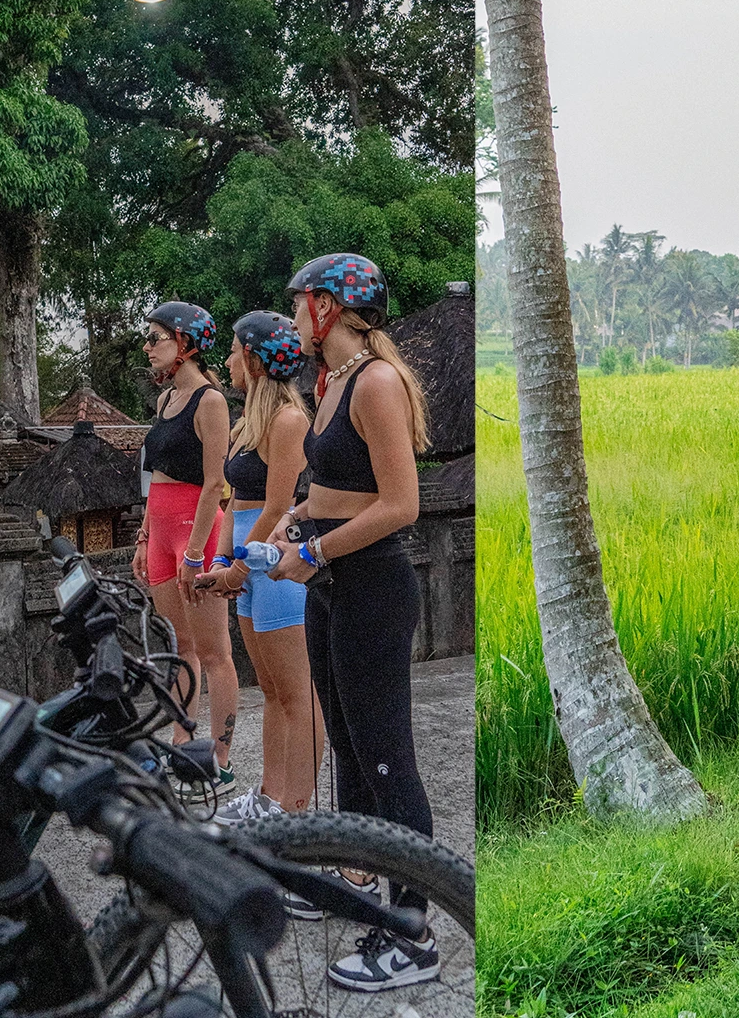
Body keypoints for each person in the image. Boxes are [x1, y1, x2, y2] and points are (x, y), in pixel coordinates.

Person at [266, 253, 441, 993]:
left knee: (385, 758)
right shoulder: (331, 382)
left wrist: (315, 550)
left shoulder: (374, 382)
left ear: (329, 307)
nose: (296, 316)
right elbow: (335, 485)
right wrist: (293, 525)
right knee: (346, 744)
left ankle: (414, 931)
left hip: (370, 583)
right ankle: (359, 883)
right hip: (331, 581)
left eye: (302, 302)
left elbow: (402, 504)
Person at [198, 311, 325, 826]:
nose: (227, 360)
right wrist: (223, 561)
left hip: (273, 566)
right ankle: (271, 797)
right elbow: (234, 502)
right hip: (248, 564)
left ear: (252, 357)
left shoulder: (289, 421)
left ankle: (296, 811)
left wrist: (241, 568)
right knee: (271, 691)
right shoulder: (245, 423)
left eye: (232, 350)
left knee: (299, 695)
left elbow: (276, 508)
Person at [131, 301, 239, 795]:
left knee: (215, 651)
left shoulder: (209, 401)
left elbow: (217, 481)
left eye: (156, 338)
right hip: (162, 528)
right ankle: (181, 744)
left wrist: (196, 552)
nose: (148, 347)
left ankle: (220, 754)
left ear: (185, 344)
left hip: (199, 530)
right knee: (180, 650)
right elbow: (156, 477)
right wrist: (145, 536)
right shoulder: (164, 402)